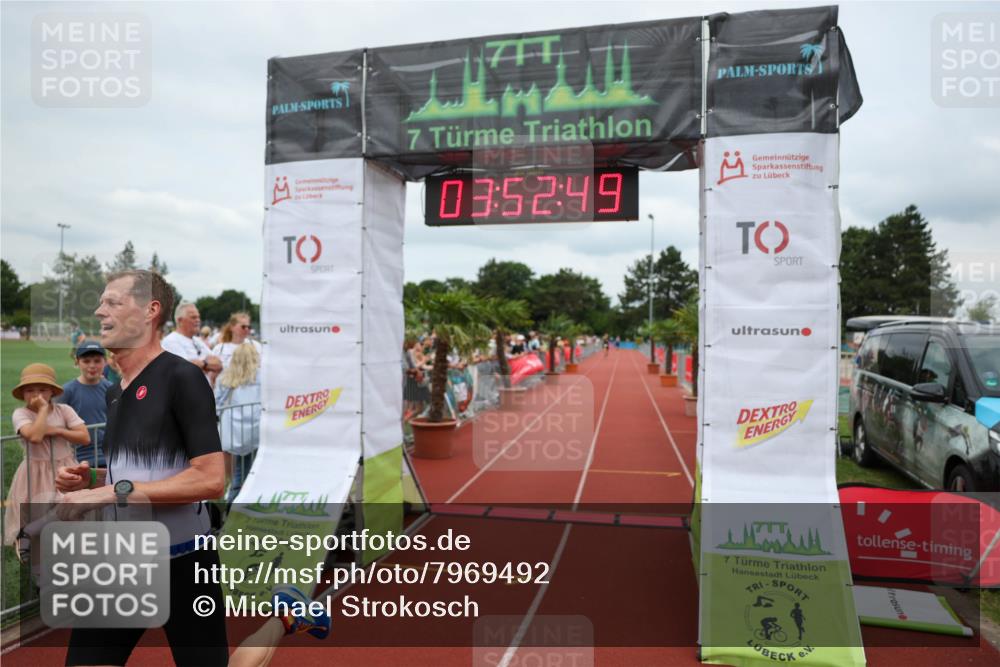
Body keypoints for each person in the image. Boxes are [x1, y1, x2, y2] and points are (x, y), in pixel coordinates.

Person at [55, 269, 230, 666]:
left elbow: (210, 478)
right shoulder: (116, 391)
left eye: (113, 302)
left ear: (151, 311)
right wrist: (96, 478)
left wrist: (108, 492)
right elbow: (145, 474)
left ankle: (286, 618)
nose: (100, 311)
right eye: (101, 302)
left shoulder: (182, 377)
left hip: (185, 561)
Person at [4, 363, 89, 545]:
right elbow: (34, 436)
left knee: (69, 506)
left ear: (52, 392)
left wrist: (58, 431)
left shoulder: (64, 410)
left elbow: (84, 437)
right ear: (23, 394)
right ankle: (34, 544)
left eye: (43, 389)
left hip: (65, 466)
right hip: (35, 470)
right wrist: (43, 410)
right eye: (30, 390)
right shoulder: (21, 413)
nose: (36, 395)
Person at [214, 342, 262, 503]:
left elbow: (216, 403)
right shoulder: (261, 377)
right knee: (249, 471)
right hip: (256, 431)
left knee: (240, 470)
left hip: (234, 432)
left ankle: (232, 501)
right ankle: (235, 503)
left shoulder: (225, 378)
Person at [58, 340, 113, 468]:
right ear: (77, 362)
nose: (92, 366)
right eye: (86, 361)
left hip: (110, 455)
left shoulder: (111, 389)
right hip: (78, 457)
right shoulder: (67, 391)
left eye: (97, 361)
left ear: (105, 362)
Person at [161, 301, 222, 383]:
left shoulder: (197, 341)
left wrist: (201, 364)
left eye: (198, 317)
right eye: (193, 317)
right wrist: (206, 363)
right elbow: (185, 371)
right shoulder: (171, 341)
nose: (198, 320)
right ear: (180, 320)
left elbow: (219, 365)